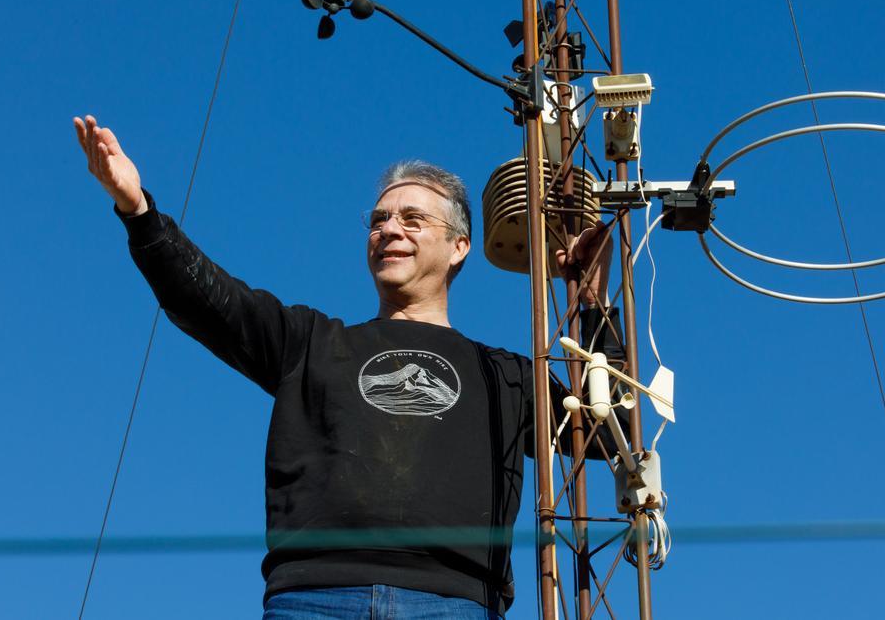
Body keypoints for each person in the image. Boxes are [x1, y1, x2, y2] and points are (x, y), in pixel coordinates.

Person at [73, 114, 622, 619]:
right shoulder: (311, 341)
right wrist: (138, 211)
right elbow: (211, 303)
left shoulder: (500, 374)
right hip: (314, 597)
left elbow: (606, 428)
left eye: (412, 218)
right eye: (379, 220)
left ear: (459, 247)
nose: (390, 230)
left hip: (455, 601)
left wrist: (594, 307)